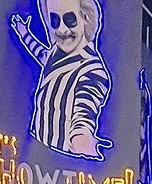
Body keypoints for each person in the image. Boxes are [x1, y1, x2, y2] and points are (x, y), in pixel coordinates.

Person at [10, 0, 112, 160]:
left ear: (86, 18)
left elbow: (84, 114)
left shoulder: (92, 70)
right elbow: (41, 54)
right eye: (55, 21)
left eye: (70, 19)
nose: (62, 29)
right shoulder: (55, 54)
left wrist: (82, 139)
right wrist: (24, 33)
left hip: (60, 164)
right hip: (37, 158)